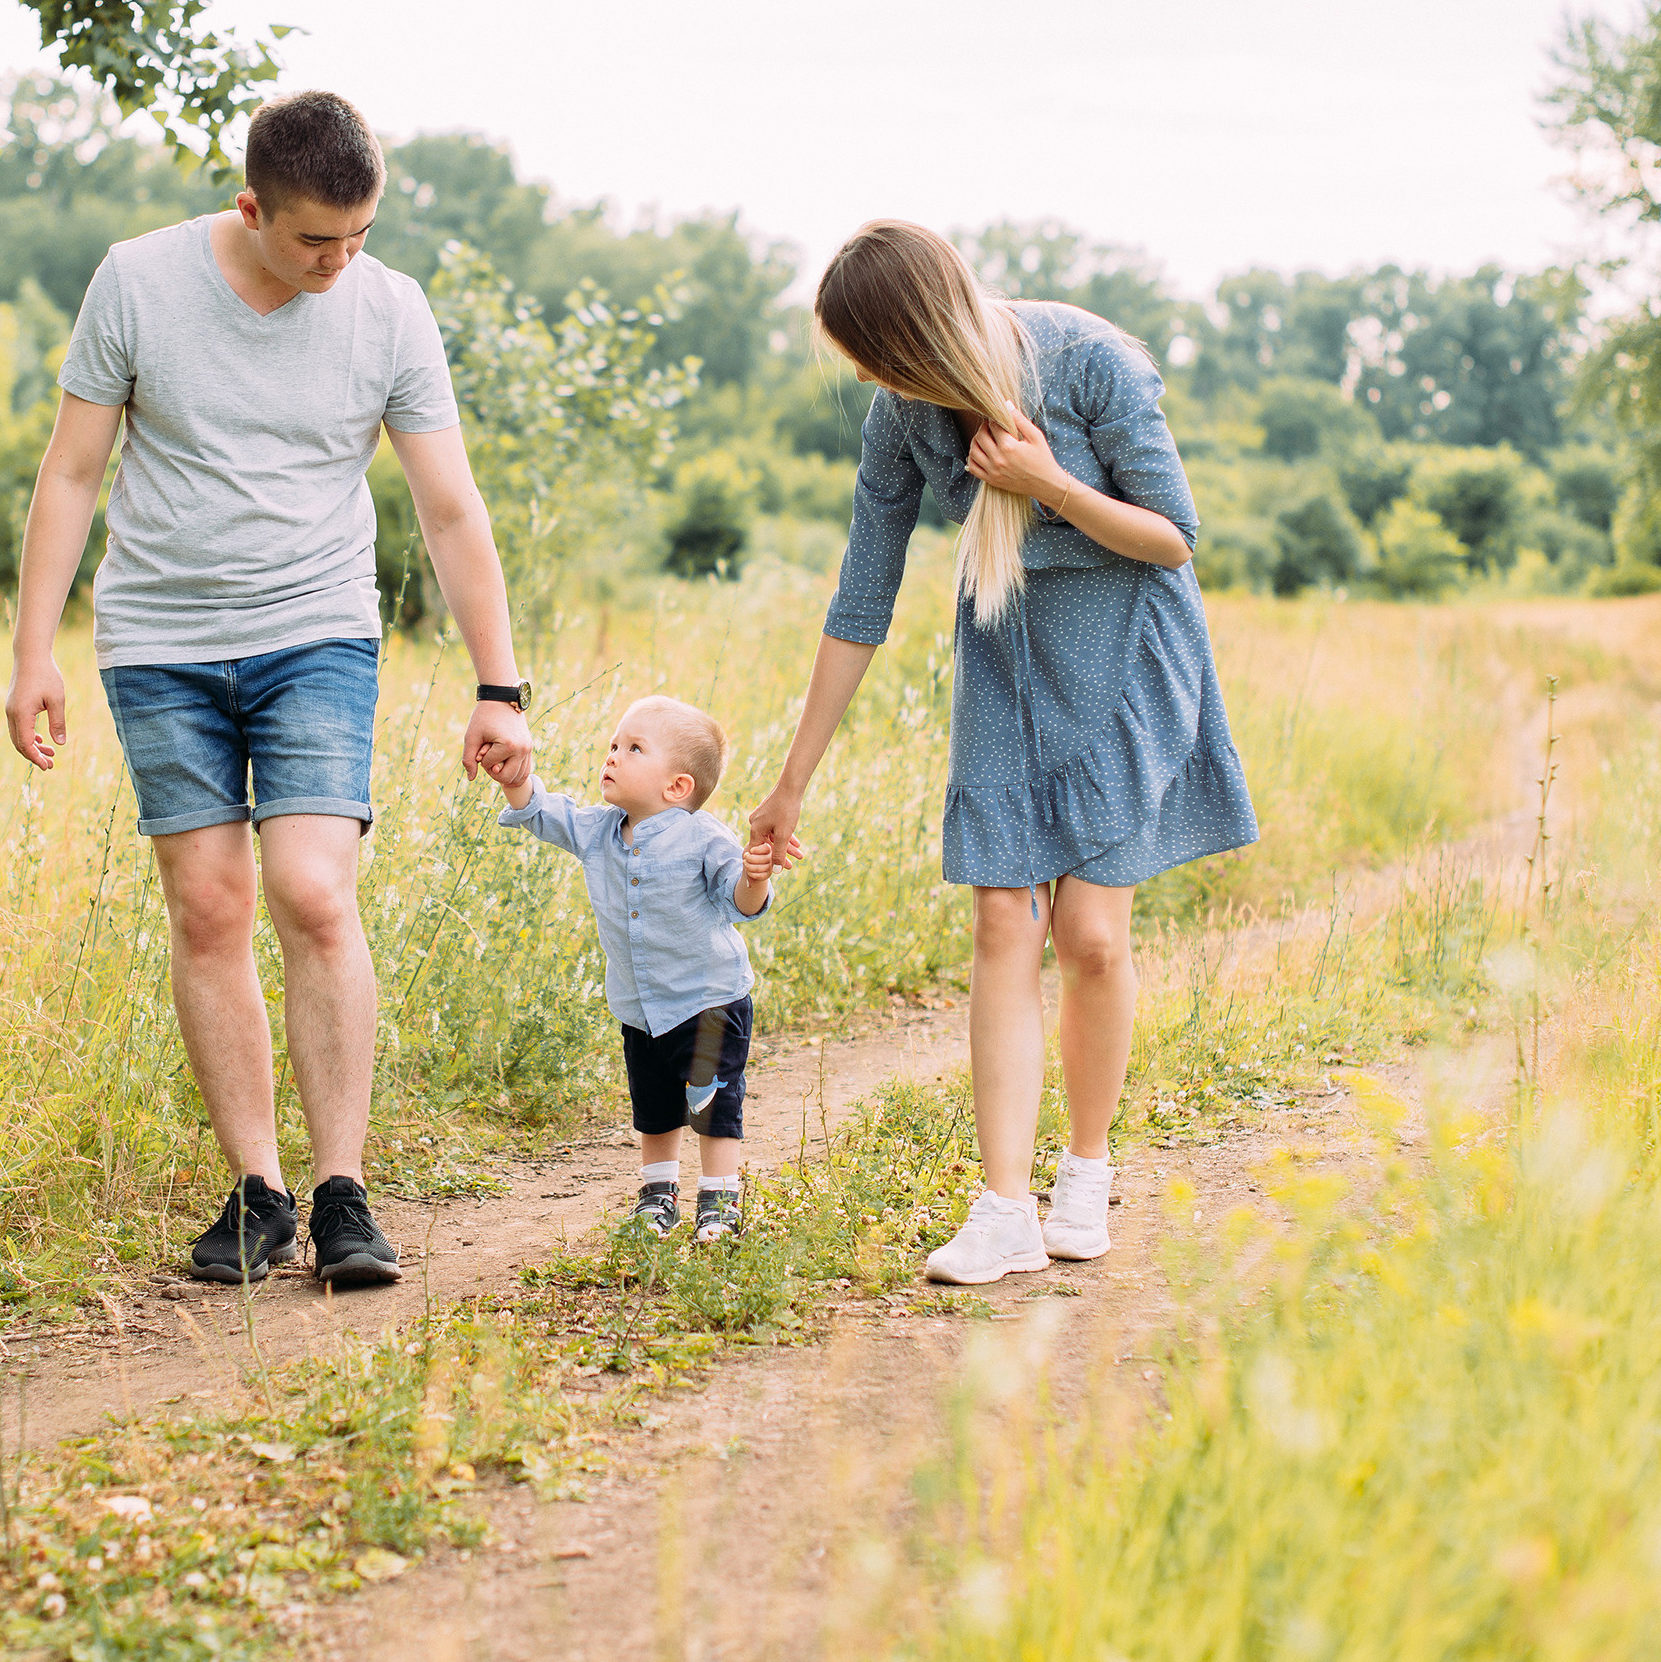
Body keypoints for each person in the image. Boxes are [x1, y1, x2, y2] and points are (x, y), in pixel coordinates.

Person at [3, 89, 533, 1293]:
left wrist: (499, 683)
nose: (339, 264)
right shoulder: (137, 283)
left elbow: (448, 506)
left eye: (357, 238)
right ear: (250, 208)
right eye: (312, 242)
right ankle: (258, 1193)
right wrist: (34, 651)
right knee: (208, 905)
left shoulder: (389, 308)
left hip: (316, 631)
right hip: (161, 640)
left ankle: (342, 1190)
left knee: (310, 889)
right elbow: (73, 470)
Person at [748, 220, 1256, 1285]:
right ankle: (1001, 1207)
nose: (878, 380)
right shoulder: (901, 418)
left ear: (926, 327)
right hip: (1004, 662)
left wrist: (1045, 483)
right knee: (998, 919)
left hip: (1124, 652)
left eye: (885, 355)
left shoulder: (1085, 363)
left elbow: (1171, 537)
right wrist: (789, 782)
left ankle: (1083, 1171)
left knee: (1090, 936)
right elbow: (860, 598)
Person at [482, 696, 782, 1245]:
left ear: (677, 787)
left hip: (707, 1000)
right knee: (655, 1105)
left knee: (711, 1103)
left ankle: (718, 1201)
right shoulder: (599, 830)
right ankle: (657, 1197)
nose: (613, 756)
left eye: (634, 748)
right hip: (640, 1006)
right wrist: (513, 781)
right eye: (614, 745)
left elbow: (740, 902)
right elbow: (544, 813)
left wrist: (755, 875)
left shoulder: (705, 838)